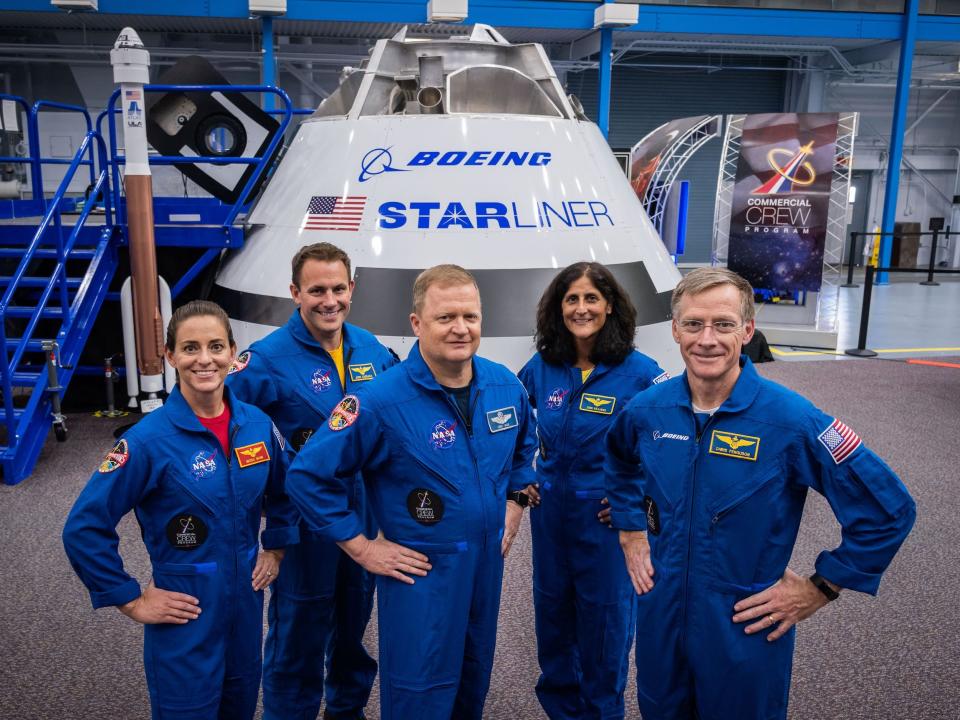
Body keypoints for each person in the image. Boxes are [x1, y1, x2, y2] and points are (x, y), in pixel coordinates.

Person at [604, 267, 916, 720]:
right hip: (660, 615)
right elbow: (618, 460)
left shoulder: (790, 420)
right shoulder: (647, 411)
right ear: (675, 329)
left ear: (748, 330)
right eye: (693, 324)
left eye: (724, 324)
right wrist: (631, 532)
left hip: (745, 625)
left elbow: (889, 509)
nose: (706, 339)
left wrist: (822, 586)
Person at [285, 264, 538, 720]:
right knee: (419, 695)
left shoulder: (505, 386)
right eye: (445, 318)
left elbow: (524, 448)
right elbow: (307, 475)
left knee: (472, 681)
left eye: (470, 317)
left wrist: (516, 502)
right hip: (420, 576)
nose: (460, 329)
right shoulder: (379, 401)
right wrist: (361, 548)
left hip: (485, 568)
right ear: (417, 323)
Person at [62, 300, 299, 720]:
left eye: (215, 346)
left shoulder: (258, 425)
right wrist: (131, 599)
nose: (204, 359)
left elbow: (288, 490)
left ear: (231, 352)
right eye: (190, 348)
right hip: (184, 610)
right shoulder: (148, 440)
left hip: (245, 604)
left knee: (239, 708)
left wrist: (275, 548)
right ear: (171, 356)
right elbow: (84, 526)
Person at [226, 242, 398, 720]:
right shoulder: (265, 361)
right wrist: (260, 509)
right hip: (302, 527)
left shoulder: (372, 350)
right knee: (297, 637)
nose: (329, 300)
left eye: (338, 289)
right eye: (317, 290)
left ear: (352, 290)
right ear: (295, 293)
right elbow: (222, 425)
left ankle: (347, 711)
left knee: (352, 631)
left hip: (362, 518)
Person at [517, 261, 667, 720]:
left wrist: (635, 499)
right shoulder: (542, 368)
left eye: (591, 298)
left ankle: (603, 713)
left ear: (610, 306)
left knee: (604, 628)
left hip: (605, 525)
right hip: (550, 520)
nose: (581, 308)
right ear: (557, 309)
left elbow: (670, 447)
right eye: (571, 299)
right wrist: (522, 475)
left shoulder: (642, 374)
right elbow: (512, 426)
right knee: (554, 623)